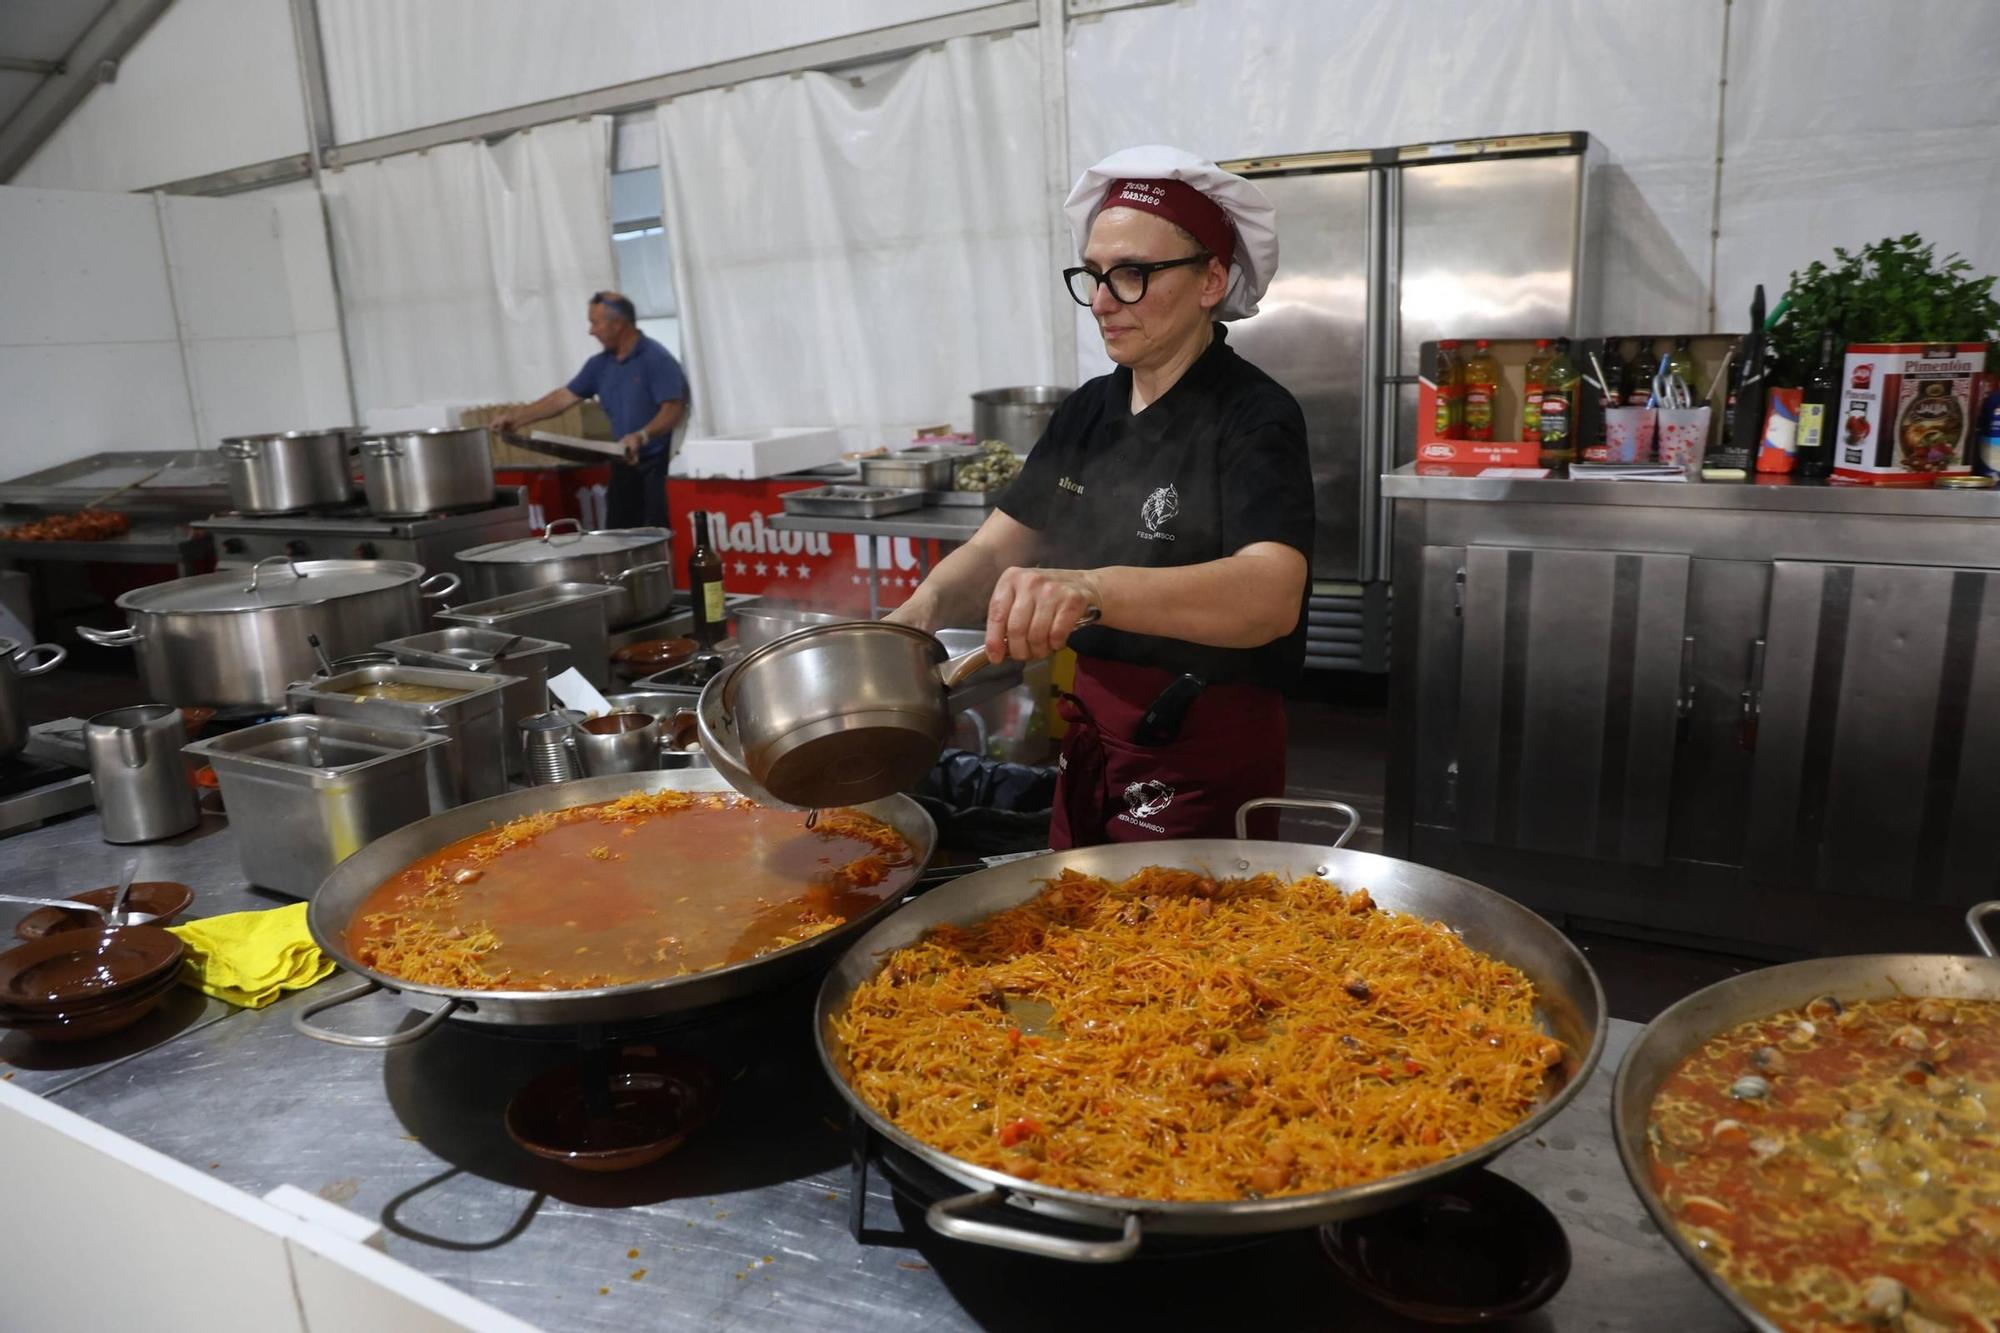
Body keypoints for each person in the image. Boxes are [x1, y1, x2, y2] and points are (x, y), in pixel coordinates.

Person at [888, 146, 1313, 848]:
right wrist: (914, 618)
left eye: (1133, 274)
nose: (1103, 301)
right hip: (1091, 733)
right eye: (1093, 275)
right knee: (1076, 906)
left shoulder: (1254, 415)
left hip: (1200, 745)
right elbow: (997, 547)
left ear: (1211, 279)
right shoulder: (1088, 409)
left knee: (1182, 920)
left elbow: (1271, 595)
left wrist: (1090, 588)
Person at [491, 291, 688, 529]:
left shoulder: (656, 359)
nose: (591, 331)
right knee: (619, 536)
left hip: (658, 468)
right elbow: (562, 398)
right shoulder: (600, 365)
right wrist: (516, 419)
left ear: (618, 323)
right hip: (624, 464)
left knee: (658, 535)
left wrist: (642, 435)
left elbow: (673, 409)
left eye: (595, 323)